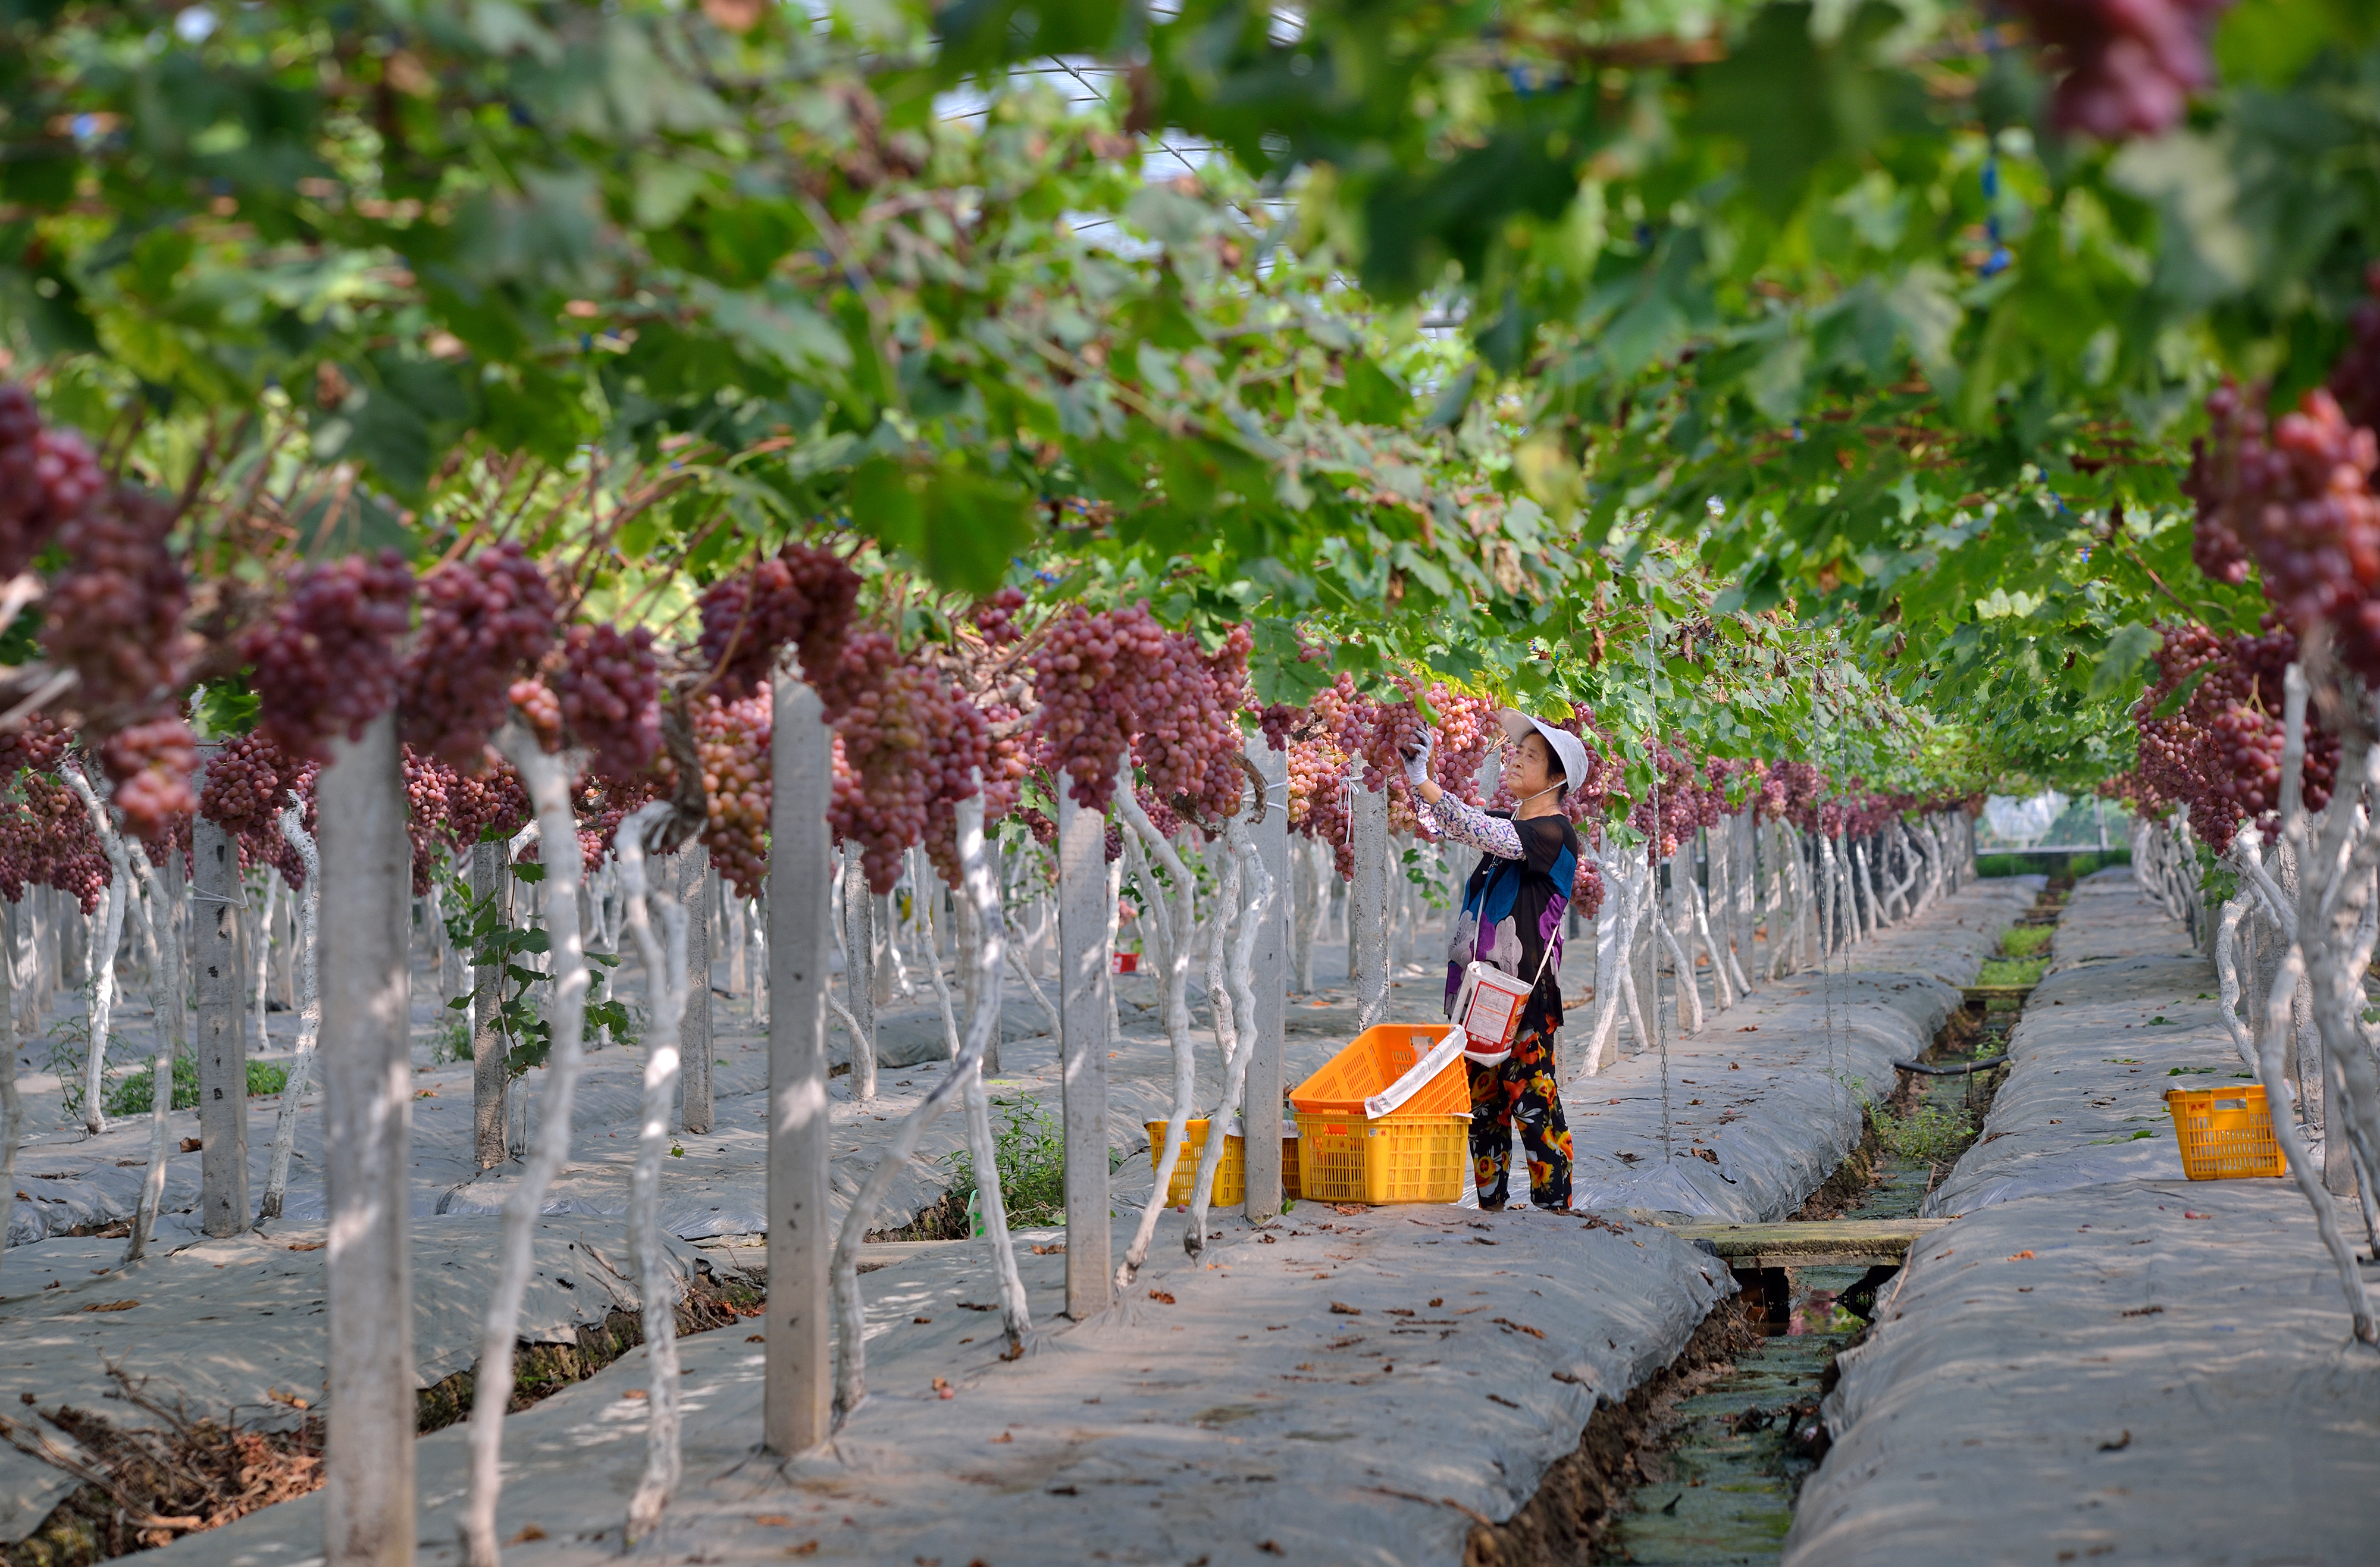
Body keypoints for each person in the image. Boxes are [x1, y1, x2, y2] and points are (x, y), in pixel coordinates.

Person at [1401, 711, 1584, 1212]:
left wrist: (1427, 784)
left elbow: (1479, 829)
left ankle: (1556, 1216)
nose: (1516, 760)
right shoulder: (1507, 826)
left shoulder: (1554, 834)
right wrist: (1421, 774)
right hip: (1476, 997)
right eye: (1516, 752)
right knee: (1483, 1109)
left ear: (1557, 778)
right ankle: (1491, 1210)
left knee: (1533, 1106)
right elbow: (1447, 824)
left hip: (1522, 1000)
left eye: (1530, 756)